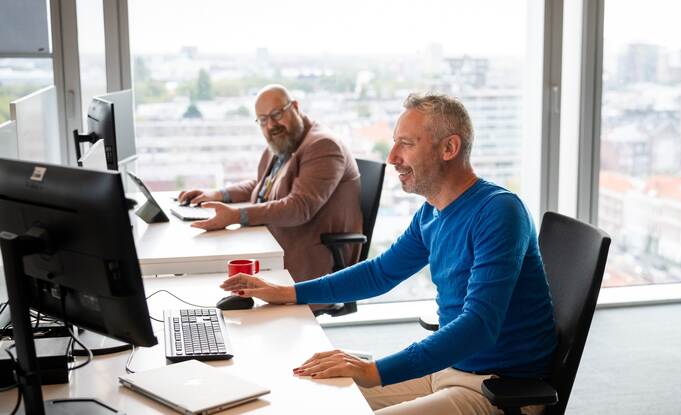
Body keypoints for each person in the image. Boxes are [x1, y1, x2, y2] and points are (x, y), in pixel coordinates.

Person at [220, 93, 556, 415]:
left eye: (406, 144)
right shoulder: (431, 212)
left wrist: (372, 371)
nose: (392, 156)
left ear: (449, 148)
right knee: (310, 392)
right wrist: (289, 293)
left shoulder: (498, 212)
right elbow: (379, 273)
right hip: (446, 365)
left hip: (495, 386)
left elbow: (480, 326)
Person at [178, 85, 363, 285]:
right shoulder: (285, 141)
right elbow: (261, 186)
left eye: (276, 114)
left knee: (207, 269)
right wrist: (217, 194)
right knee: (205, 261)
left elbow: (299, 207)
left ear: (295, 106)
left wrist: (236, 216)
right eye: (263, 120)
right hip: (275, 243)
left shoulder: (323, 146)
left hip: (311, 260)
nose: (271, 125)